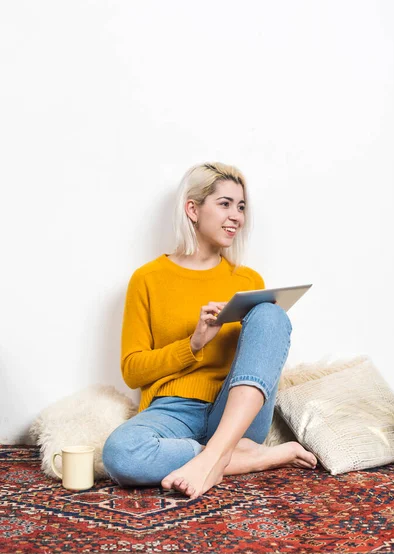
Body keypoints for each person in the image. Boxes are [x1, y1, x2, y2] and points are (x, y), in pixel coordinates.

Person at [102, 162, 317, 500]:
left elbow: (261, 355)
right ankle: (246, 457)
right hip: (172, 411)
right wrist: (194, 343)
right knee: (120, 454)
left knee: (271, 315)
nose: (237, 216)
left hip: (235, 411)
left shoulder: (247, 281)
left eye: (241, 206)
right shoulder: (148, 279)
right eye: (225, 204)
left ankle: (216, 455)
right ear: (193, 209)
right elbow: (132, 370)